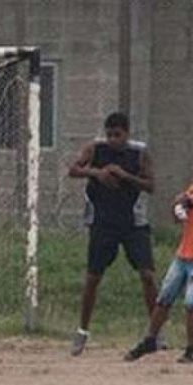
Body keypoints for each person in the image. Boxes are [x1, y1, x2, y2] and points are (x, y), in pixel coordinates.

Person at [68, 112, 156, 356]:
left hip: (132, 222)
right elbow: (73, 170)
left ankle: (155, 332)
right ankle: (82, 330)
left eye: (117, 135)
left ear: (127, 133)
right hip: (103, 221)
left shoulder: (140, 153)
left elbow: (151, 186)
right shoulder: (95, 149)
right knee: (93, 277)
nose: (113, 140)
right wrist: (97, 173)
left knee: (147, 275)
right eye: (109, 135)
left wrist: (125, 176)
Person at [125, 156, 193, 364]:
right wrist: (178, 204)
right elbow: (178, 217)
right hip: (183, 255)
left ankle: (191, 349)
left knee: (192, 302)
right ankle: (150, 339)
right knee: (164, 298)